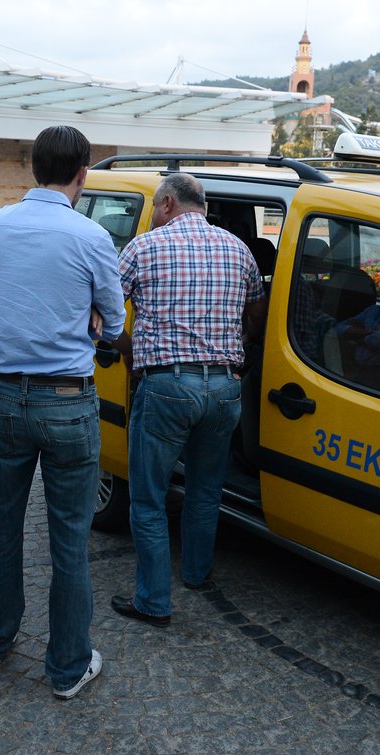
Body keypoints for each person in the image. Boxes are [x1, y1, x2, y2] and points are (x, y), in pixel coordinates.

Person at [0, 125, 126, 700]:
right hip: (67, 400)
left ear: (32, 168)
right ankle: (67, 668)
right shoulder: (92, 238)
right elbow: (112, 325)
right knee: (67, 538)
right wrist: (88, 319)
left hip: (6, 397)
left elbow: (6, 292)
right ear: (82, 174)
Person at [107, 173, 265, 628]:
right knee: (205, 491)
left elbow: (102, 314)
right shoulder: (239, 250)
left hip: (166, 388)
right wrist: (235, 353)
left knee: (149, 498)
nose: (154, 216)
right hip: (223, 389)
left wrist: (133, 350)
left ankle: (154, 601)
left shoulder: (143, 247)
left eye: (155, 208)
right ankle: (196, 574)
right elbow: (257, 313)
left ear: (169, 203)